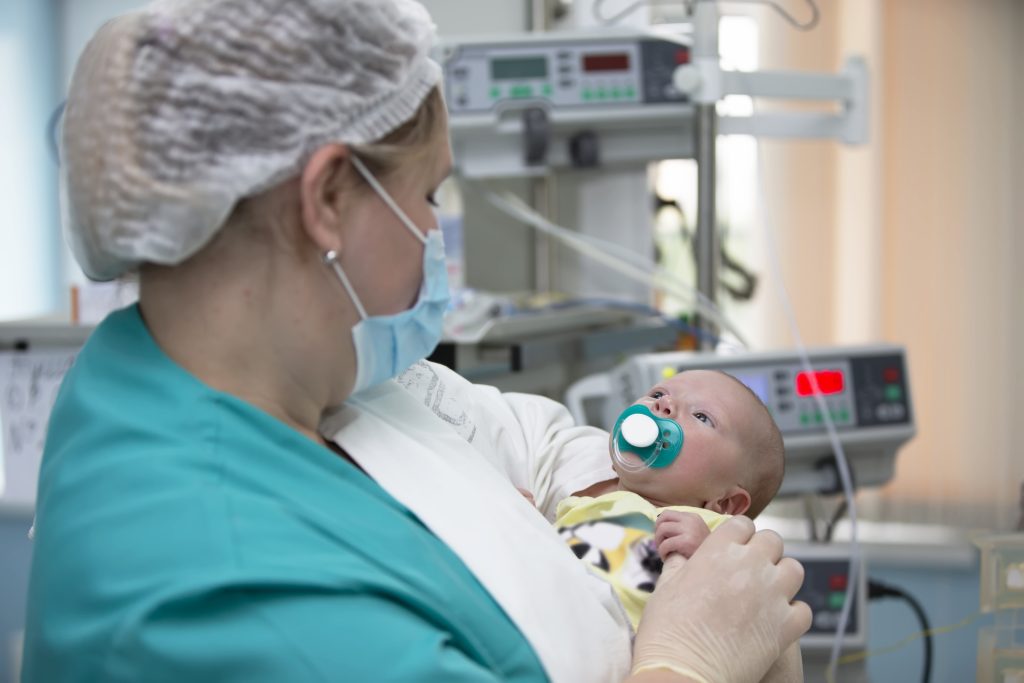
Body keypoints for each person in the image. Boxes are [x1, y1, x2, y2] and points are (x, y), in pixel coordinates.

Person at [22, 1, 810, 681]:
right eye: (428, 194)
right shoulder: (236, 593)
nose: (434, 232)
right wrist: (686, 660)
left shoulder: (247, 371)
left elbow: (534, 442)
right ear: (329, 196)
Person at [555, 369, 785, 628]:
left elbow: (747, 606)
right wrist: (521, 514)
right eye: (657, 393)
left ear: (724, 503)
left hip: (613, 640)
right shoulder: (579, 502)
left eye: (701, 416)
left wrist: (708, 558)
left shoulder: (712, 533)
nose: (664, 404)